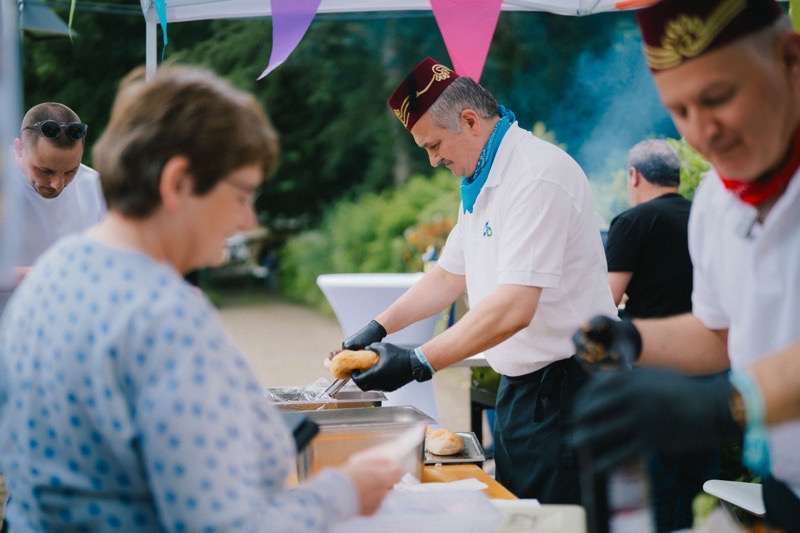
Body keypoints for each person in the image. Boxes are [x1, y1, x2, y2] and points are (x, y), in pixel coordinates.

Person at [0, 65, 401, 531]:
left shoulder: (52, 276)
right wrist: (345, 491)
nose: (248, 220)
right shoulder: (164, 316)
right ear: (177, 183)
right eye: (241, 194)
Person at [342, 57, 618, 503]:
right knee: (518, 513)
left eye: (433, 145)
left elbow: (514, 308)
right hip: (523, 392)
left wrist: (417, 362)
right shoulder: (481, 180)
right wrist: (378, 327)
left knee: (556, 523)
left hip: (570, 391)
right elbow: (449, 275)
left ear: (469, 120)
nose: (433, 161)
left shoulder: (536, 177)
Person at [571, 0, 800, 530]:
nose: (702, 131)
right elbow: (718, 333)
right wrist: (635, 340)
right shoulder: (718, 201)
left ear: (791, 59)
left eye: (718, 98)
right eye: (679, 112)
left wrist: (722, 403)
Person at [604, 139, 719, 532]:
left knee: (656, 487)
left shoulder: (632, 222)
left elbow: (607, 301)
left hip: (654, 371)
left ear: (634, 176)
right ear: (677, 176)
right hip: (711, 369)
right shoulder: (708, 217)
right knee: (701, 488)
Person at [9, 102, 106, 270]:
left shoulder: (96, 187)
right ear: (19, 148)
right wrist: (50, 275)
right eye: (45, 171)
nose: (58, 184)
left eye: (71, 171)